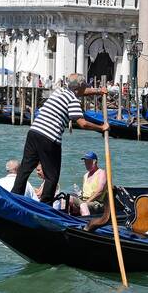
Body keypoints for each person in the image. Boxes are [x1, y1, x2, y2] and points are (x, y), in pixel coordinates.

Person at [12, 73, 107, 204]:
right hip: (50, 138)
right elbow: (82, 123)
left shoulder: (60, 91)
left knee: (25, 168)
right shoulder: (73, 100)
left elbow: (81, 91)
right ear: (79, 87)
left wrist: (98, 91)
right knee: (52, 176)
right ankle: (45, 206)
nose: (86, 88)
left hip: (34, 132)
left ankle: (14, 197)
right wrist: (101, 127)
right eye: (84, 85)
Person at [69, 151, 107, 217]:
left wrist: (86, 202)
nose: (86, 164)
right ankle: (67, 219)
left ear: (94, 162)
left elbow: (99, 192)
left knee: (83, 205)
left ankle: (86, 224)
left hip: (97, 203)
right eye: (85, 162)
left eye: (88, 162)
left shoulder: (101, 173)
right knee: (68, 198)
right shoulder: (85, 175)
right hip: (84, 200)